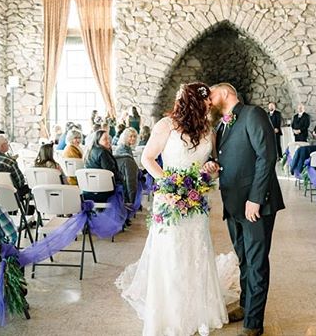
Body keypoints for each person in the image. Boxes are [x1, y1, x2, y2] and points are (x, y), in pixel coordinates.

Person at [117, 82, 238, 336]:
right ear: (193, 102)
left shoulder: (208, 130)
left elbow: (213, 162)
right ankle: (170, 311)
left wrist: (210, 168)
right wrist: (169, 184)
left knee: (197, 249)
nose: (209, 106)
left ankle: (199, 310)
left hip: (197, 201)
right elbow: (147, 158)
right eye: (205, 103)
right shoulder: (166, 126)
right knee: (171, 252)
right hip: (170, 197)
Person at [207, 82, 284, 336]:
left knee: (257, 262)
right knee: (243, 260)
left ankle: (254, 323)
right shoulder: (221, 125)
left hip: (255, 205)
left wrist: (256, 198)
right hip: (233, 204)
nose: (209, 97)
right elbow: (225, 159)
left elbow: (267, 156)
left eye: (212, 92)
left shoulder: (253, 114)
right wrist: (212, 166)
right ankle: (244, 305)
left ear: (226, 93)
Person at [84, 130, 122, 203]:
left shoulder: (90, 151)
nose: (108, 141)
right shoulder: (103, 152)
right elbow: (111, 173)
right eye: (105, 139)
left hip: (88, 190)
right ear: (98, 140)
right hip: (103, 191)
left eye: (109, 139)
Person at [113, 128, 139, 205]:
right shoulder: (123, 149)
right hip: (123, 177)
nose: (133, 138)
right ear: (125, 137)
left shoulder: (126, 148)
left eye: (134, 136)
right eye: (130, 136)